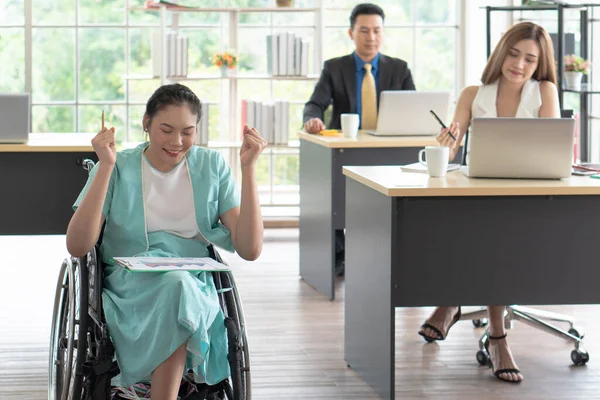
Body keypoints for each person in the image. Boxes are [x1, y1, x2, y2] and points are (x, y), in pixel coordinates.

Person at [66, 83, 267, 400]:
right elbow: (77, 246)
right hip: (128, 283)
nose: (177, 142)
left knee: (178, 286)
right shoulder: (118, 166)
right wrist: (105, 165)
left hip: (194, 282)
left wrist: (249, 169)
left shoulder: (211, 166)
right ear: (146, 123)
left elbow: (250, 249)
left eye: (188, 131)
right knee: (176, 287)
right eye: (166, 130)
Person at [417, 21, 560, 384]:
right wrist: (448, 140)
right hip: (479, 194)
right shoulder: (473, 94)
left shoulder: (544, 91)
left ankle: (456, 304)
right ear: (501, 52)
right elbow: (450, 150)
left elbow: (552, 149)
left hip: (528, 198)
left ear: (539, 64)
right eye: (514, 54)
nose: (520, 65)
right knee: (481, 224)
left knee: (492, 230)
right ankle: (495, 336)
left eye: (530, 59)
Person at [302, 3, 416, 275]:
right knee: (337, 201)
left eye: (377, 31)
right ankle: (340, 257)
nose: (371, 37)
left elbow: (415, 108)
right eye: (364, 31)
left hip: (389, 150)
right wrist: (312, 120)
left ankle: (397, 257)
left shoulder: (399, 69)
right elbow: (314, 104)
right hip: (347, 151)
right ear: (351, 33)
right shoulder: (334, 68)